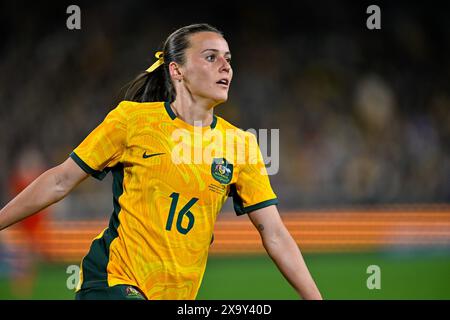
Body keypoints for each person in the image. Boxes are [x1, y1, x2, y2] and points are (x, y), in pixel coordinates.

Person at [0, 23, 322, 300]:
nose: (225, 66)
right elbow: (60, 181)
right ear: (176, 70)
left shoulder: (241, 145)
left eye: (228, 58)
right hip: (113, 280)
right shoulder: (131, 121)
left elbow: (275, 234)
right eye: (211, 57)